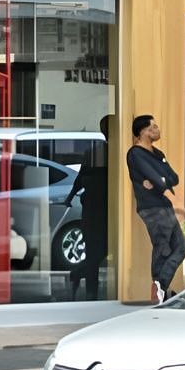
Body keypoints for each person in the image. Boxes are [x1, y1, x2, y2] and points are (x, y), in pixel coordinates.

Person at [126, 114, 185, 303]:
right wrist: (158, 181)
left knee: (181, 248)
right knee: (163, 247)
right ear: (142, 131)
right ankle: (159, 290)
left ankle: (160, 286)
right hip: (152, 207)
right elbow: (153, 176)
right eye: (153, 127)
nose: (157, 129)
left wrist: (159, 181)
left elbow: (172, 178)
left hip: (164, 206)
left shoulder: (158, 154)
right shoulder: (135, 153)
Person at [68, 114, 112, 300]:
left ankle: (79, 275)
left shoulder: (96, 152)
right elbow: (81, 178)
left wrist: (71, 195)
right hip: (97, 207)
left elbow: (81, 178)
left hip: (100, 206)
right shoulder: (100, 152)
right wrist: (71, 195)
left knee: (99, 249)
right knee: (97, 249)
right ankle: (90, 290)